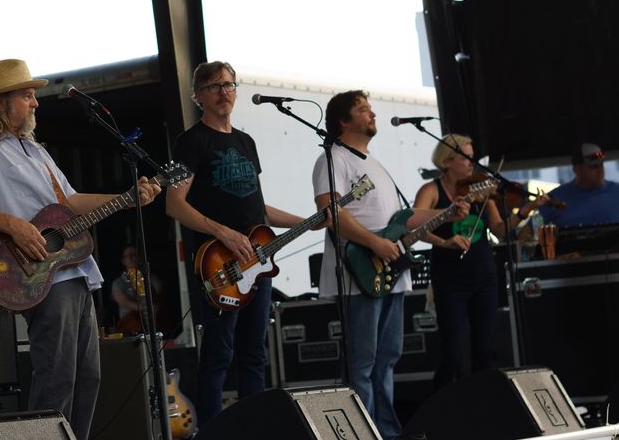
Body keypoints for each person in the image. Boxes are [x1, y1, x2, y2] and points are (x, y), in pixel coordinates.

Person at [0, 58, 161, 440]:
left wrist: (126, 199)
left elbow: (70, 202)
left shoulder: (37, 151)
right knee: (57, 373)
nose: (35, 103)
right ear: (1, 103)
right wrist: (15, 226)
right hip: (37, 273)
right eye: (27, 96)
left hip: (74, 270)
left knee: (88, 375)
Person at [311, 91, 468, 440]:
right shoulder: (333, 159)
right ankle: (359, 433)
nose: (371, 113)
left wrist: (447, 213)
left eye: (370, 108)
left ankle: (386, 431)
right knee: (362, 362)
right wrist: (374, 242)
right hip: (358, 271)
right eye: (362, 109)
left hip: (388, 273)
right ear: (343, 121)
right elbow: (331, 214)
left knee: (387, 357)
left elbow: (403, 218)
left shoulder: (374, 163)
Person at [164, 61, 314, 424]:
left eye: (230, 85)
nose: (224, 91)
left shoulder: (246, 141)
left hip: (258, 263)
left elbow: (258, 208)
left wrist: (308, 221)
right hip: (218, 262)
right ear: (198, 95)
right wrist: (222, 231)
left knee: (254, 355)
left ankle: (256, 428)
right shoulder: (190, 141)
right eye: (215, 86)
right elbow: (173, 204)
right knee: (217, 356)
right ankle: (214, 432)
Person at [412, 134, 549, 388]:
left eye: (472, 158)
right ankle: (441, 407)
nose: (471, 164)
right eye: (465, 158)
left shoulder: (481, 189)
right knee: (452, 352)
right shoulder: (432, 190)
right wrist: (443, 241)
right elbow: (414, 225)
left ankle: (481, 405)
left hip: (483, 275)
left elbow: (498, 230)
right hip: (450, 279)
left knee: (484, 350)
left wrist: (524, 212)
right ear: (447, 161)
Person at [537, 143, 619, 227]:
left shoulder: (617, 192)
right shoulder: (555, 199)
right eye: (593, 167)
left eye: (601, 165)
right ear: (577, 170)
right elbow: (528, 233)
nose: (600, 170)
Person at [109, 245, 163, 333]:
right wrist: (144, 308)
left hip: (152, 315)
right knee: (133, 324)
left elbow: (160, 292)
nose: (132, 258)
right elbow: (123, 301)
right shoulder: (118, 282)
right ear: (123, 261)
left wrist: (155, 306)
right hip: (130, 319)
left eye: (135, 255)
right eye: (129, 255)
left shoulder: (151, 278)